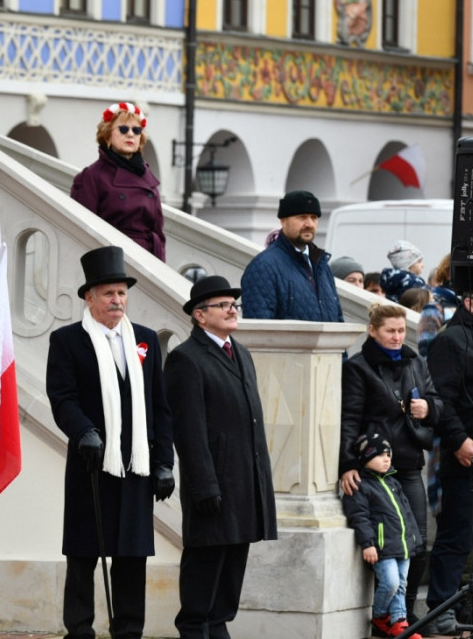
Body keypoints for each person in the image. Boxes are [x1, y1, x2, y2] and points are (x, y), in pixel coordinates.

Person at [46, 245, 175, 639]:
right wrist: (83, 430)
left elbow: (160, 407)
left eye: (121, 292)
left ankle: (128, 631)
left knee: (132, 556)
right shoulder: (68, 340)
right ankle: (80, 630)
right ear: (89, 297)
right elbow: (62, 397)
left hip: (135, 467)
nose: (117, 300)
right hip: (92, 464)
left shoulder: (147, 341)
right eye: (108, 293)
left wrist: (165, 462)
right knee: (84, 554)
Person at [164, 275, 277, 639]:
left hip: (245, 484)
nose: (232, 310)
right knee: (204, 576)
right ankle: (198, 630)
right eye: (223, 305)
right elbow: (190, 432)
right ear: (200, 315)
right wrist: (205, 485)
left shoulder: (240, 352)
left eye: (234, 305)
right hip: (212, 488)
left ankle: (218, 626)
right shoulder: (186, 359)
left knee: (230, 578)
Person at [340, 302, 441, 625]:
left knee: (417, 545)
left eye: (401, 331)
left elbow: (436, 400)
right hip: (373, 470)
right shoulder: (358, 367)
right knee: (386, 546)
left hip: (410, 462)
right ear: (373, 331)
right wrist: (347, 463)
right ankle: (388, 617)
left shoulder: (415, 362)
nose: (398, 337)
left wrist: (428, 408)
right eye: (391, 331)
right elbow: (349, 420)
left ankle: (407, 615)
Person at [422, 292, 473, 635]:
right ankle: (441, 608)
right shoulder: (450, 342)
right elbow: (441, 400)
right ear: (470, 301)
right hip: (466, 456)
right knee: (457, 535)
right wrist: (459, 440)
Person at [341, 433, 424, 639]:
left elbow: (407, 514)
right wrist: (368, 544)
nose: (387, 459)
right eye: (380, 455)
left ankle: (399, 623)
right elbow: (359, 517)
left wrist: (414, 541)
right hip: (382, 548)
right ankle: (379, 615)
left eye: (389, 454)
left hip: (402, 546)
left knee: (401, 585)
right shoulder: (359, 486)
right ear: (365, 458)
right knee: (391, 583)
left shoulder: (394, 483)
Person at [71, 102, 165, 261]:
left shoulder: (147, 176)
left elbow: (158, 232)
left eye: (136, 130)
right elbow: (83, 230)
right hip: (114, 263)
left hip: (149, 261)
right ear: (107, 135)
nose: (130, 135)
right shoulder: (92, 176)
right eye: (123, 129)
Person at [240, 190, 344, 322]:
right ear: (283, 221)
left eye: (314, 217)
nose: (309, 224)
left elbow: (338, 318)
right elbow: (260, 331)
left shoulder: (322, 265)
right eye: (302, 217)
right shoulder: (263, 267)